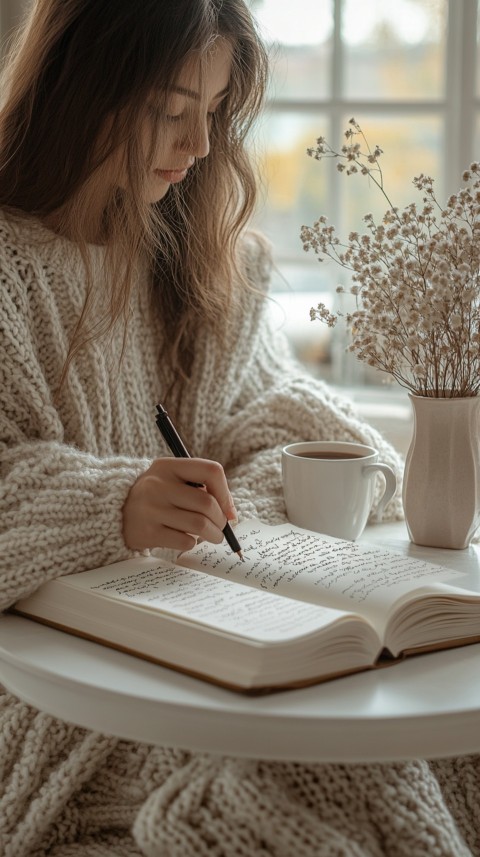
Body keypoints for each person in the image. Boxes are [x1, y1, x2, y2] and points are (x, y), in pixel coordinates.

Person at [0, 1, 475, 855]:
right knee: (309, 777)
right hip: (60, 688)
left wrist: (226, 509)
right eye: (171, 111)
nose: (202, 146)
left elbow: (313, 429)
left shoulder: (206, 260)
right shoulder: (8, 272)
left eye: (215, 114)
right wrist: (115, 504)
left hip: (215, 634)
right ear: (83, 88)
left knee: (429, 748)